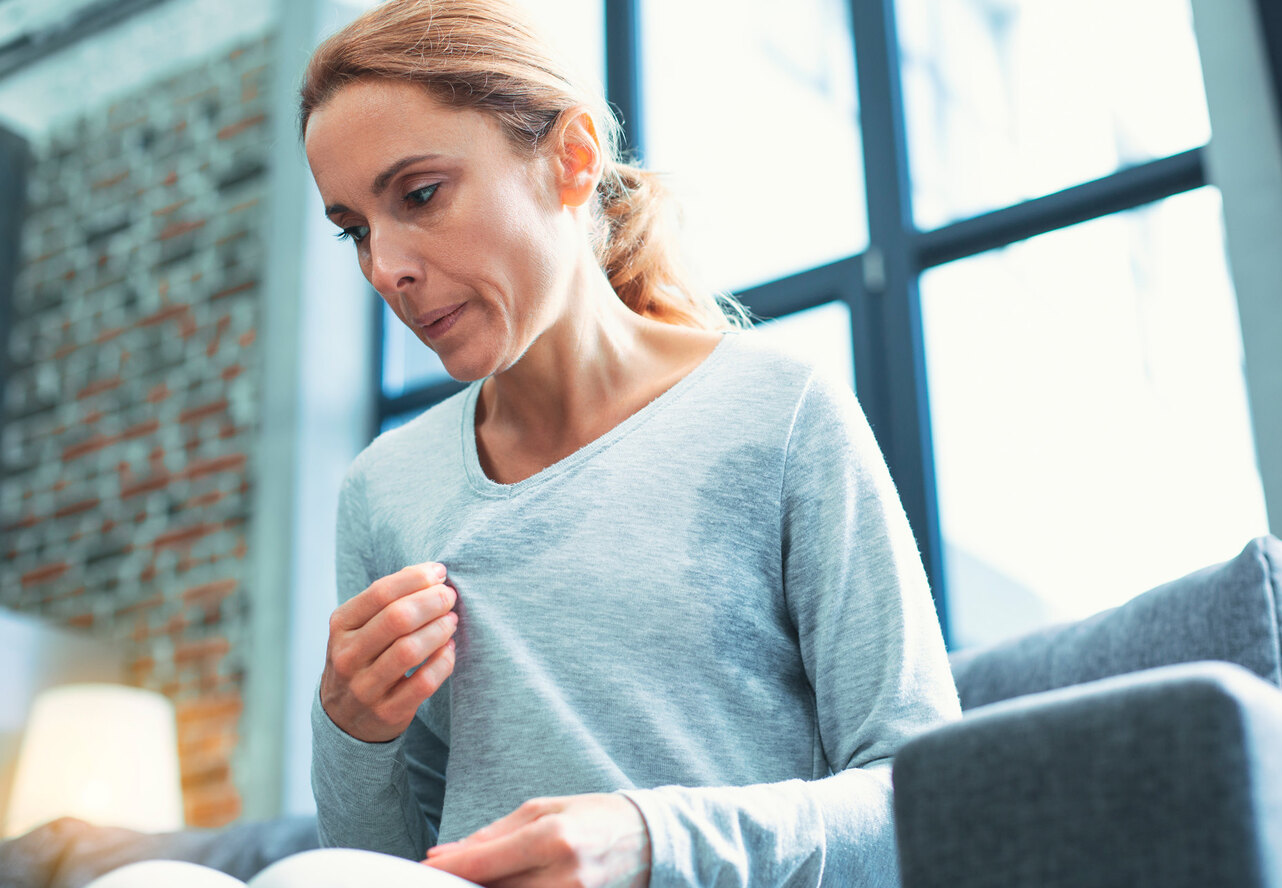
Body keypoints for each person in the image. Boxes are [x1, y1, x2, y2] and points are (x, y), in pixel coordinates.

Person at [93, 0, 960, 885]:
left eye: (420, 195)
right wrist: (351, 728)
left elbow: (926, 798)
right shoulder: (384, 490)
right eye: (356, 229)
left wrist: (651, 842)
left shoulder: (778, 408)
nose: (385, 265)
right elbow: (382, 866)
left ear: (572, 158)